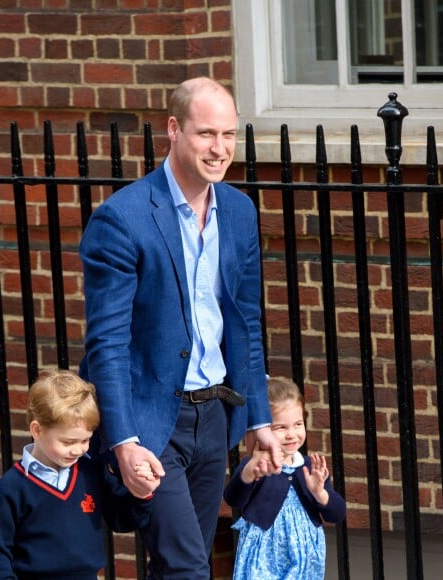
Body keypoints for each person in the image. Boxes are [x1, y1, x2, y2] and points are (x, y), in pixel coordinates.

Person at [78, 76, 282, 578]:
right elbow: (107, 343)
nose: (220, 149)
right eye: (206, 134)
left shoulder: (238, 211)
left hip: (214, 417)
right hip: (151, 423)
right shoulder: (123, 219)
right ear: (174, 129)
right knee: (187, 567)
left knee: (174, 566)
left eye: (229, 135)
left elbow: (247, 325)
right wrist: (122, 440)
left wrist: (259, 418)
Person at [0, 369, 153, 579]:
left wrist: (142, 493)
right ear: (37, 430)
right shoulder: (11, 488)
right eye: (68, 442)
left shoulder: (92, 473)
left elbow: (122, 520)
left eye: (85, 440)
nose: (78, 449)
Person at [224, 378, 347, 579]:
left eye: (298, 424)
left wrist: (321, 494)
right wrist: (248, 473)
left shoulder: (310, 468)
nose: (291, 434)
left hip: (304, 555)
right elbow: (233, 499)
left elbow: (337, 513)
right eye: (281, 428)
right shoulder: (258, 464)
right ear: (263, 430)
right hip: (263, 551)